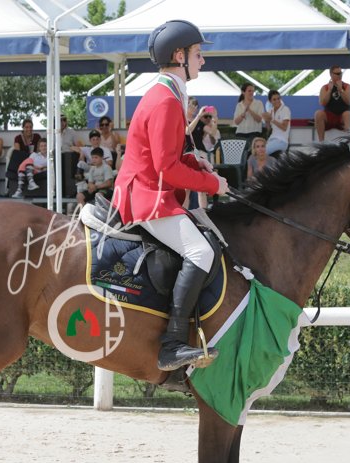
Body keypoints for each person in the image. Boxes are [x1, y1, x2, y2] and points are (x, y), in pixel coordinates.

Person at [112, 20, 227, 371]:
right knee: (201, 251)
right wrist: (212, 185)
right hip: (146, 195)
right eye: (198, 53)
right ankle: (172, 344)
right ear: (180, 56)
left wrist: (196, 161)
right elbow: (166, 168)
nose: (202, 60)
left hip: (151, 189)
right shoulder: (165, 100)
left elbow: (169, 156)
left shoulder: (170, 94)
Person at [314, 66, 350, 141]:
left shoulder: (347, 86)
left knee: (347, 114)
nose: (339, 75)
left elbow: (349, 101)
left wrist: (341, 90)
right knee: (318, 114)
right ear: (331, 74)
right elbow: (323, 103)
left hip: (342, 116)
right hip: (329, 115)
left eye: (340, 73)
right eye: (337, 74)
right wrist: (329, 91)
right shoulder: (325, 87)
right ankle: (321, 142)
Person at [262, 89, 291, 155]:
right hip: (272, 139)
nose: (277, 101)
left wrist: (272, 119)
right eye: (274, 99)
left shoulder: (285, 109)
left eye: (278, 98)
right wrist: (267, 121)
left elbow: (284, 127)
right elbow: (269, 129)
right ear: (270, 101)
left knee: (261, 153)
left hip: (282, 141)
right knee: (256, 151)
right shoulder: (270, 111)